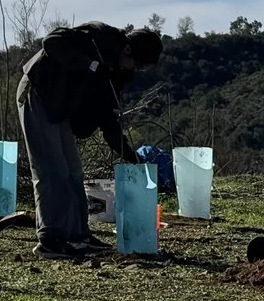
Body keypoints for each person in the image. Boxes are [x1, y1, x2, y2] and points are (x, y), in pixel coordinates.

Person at [18, 22, 163, 257]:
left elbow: (108, 118)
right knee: (51, 169)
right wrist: (92, 66)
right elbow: (51, 42)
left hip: (61, 106)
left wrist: (130, 156)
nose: (134, 71)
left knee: (73, 171)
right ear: (127, 50)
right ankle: (50, 239)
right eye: (136, 64)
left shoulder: (117, 73)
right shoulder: (98, 35)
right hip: (40, 91)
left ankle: (78, 235)